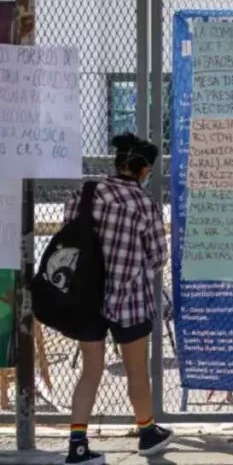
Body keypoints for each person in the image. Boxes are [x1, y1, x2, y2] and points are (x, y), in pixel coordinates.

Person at [62, 133, 173, 465]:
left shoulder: (83, 194)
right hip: (130, 300)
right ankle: (147, 432)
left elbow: (67, 237)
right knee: (137, 370)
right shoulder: (143, 205)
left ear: (117, 163)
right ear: (143, 170)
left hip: (86, 299)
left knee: (90, 370)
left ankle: (77, 445)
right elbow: (157, 258)